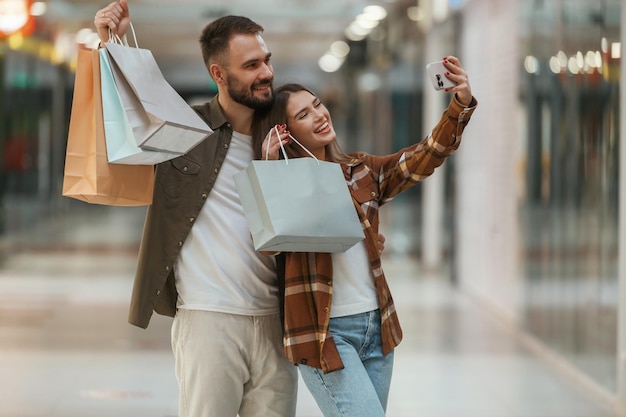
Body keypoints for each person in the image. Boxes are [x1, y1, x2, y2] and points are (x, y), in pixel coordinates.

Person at [93, 2, 299, 416]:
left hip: (277, 321)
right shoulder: (186, 130)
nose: (266, 74)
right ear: (219, 75)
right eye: (252, 65)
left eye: (267, 61)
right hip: (209, 319)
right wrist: (111, 42)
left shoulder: (287, 139)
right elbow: (128, 116)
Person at [251, 57, 477, 417]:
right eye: (304, 114)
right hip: (326, 334)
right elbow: (267, 248)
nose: (320, 115)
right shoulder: (281, 187)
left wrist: (460, 104)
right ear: (285, 131)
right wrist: (272, 171)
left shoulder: (360, 172)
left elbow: (424, 156)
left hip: (377, 326)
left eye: (318, 105)